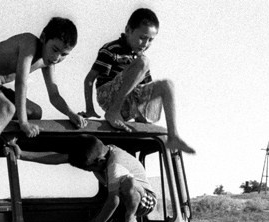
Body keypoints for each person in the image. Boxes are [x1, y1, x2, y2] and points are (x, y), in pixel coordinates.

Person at [0, 17, 87, 201]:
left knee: (35, 112)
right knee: (7, 109)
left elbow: (54, 95)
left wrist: (71, 113)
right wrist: (23, 123)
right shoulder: (29, 42)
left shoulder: (47, 61)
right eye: (55, 49)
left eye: (64, 54)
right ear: (43, 38)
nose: (57, 58)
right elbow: (21, 81)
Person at [81, 8, 195, 154]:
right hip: (108, 96)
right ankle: (114, 111)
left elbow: (145, 88)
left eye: (150, 40)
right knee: (144, 62)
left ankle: (173, 136)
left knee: (167, 85)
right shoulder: (111, 49)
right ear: (128, 30)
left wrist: (144, 114)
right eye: (142, 37)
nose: (145, 43)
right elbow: (89, 79)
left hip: (129, 102)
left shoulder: (140, 58)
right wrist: (89, 109)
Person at [8, 135, 156, 222]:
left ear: (99, 162)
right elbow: (58, 158)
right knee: (122, 184)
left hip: (144, 201)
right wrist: (22, 155)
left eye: (88, 169)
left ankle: (130, 217)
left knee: (127, 182)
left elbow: (113, 201)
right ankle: (125, 214)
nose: (88, 171)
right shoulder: (102, 151)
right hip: (124, 199)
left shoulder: (116, 164)